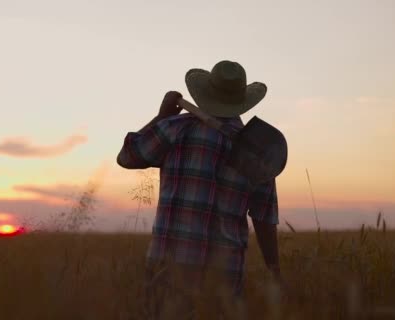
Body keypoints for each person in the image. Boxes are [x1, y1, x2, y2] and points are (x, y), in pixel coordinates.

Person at [117, 60, 281, 319]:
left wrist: (162, 115)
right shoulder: (258, 151)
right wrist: (274, 271)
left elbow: (127, 156)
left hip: (169, 270)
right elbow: (264, 217)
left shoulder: (176, 128)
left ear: (205, 94)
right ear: (242, 101)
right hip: (224, 276)